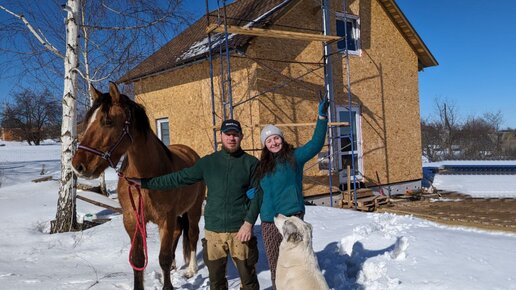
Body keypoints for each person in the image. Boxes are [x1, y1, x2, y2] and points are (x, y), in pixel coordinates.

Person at [127, 119, 259, 290]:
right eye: (228, 134)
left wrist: (248, 224)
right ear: (221, 136)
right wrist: (145, 183)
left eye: (235, 134)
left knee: (248, 282)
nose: (231, 138)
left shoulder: (251, 163)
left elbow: (258, 196)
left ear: (241, 136)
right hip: (213, 233)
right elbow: (178, 178)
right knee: (217, 283)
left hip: (240, 231)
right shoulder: (208, 163)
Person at [245, 97, 329, 290]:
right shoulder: (262, 166)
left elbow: (316, 144)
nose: (273, 142)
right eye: (269, 140)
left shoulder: (294, 157)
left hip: (293, 218)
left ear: (281, 139)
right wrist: (253, 194)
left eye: (276, 138)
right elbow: (261, 190)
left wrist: (322, 117)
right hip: (269, 221)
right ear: (264, 144)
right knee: (278, 266)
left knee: (300, 264)